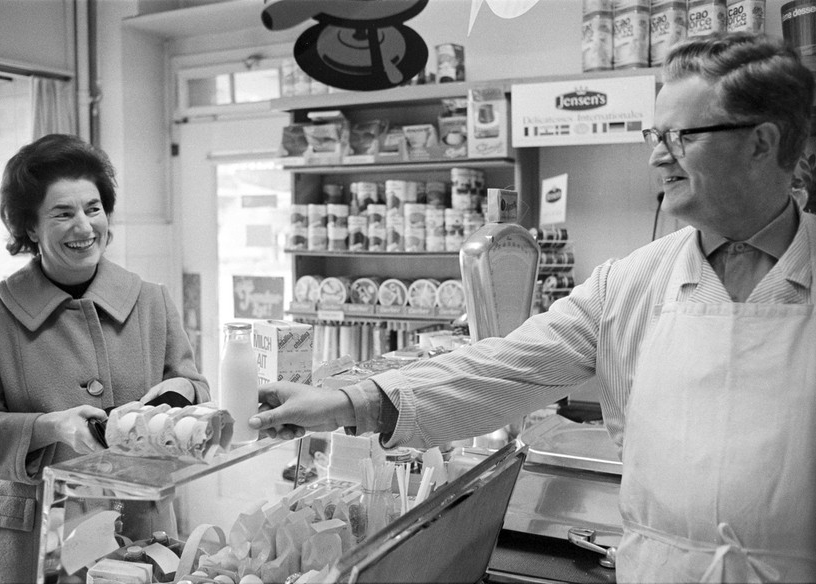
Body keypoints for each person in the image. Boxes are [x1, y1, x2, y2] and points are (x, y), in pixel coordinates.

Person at [249, 31, 816, 582]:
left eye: (680, 137)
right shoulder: (632, 283)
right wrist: (346, 403)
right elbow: (501, 370)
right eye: (653, 134)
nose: (655, 158)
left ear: (761, 142)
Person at [0, 134, 210, 583]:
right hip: (26, 541)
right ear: (30, 228)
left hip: (138, 523)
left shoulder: (151, 301)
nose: (85, 227)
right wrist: (50, 426)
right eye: (62, 213)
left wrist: (172, 397)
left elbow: (195, 389)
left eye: (93, 208)